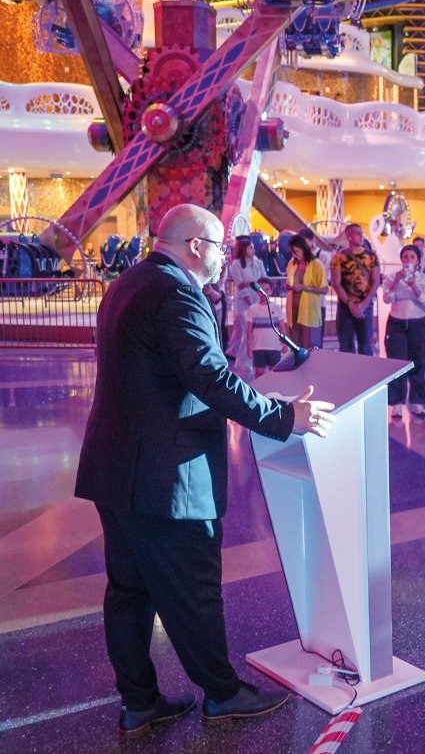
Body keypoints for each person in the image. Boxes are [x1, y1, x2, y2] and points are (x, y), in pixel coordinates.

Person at [75, 204, 334, 737]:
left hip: (118, 468)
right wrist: (287, 417)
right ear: (197, 245)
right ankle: (223, 693)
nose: (224, 257)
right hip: (167, 475)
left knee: (129, 591)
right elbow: (211, 379)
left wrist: (263, 399)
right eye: (219, 246)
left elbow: (173, 376)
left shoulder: (131, 283)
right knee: (193, 588)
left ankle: (140, 703)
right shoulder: (176, 294)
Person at [382, 244, 425, 418]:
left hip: (417, 323)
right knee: (396, 362)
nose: (408, 260)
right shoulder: (391, 277)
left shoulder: (424, 279)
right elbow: (387, 298)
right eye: (405, 257)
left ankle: (417, 401)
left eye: (412, 257)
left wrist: (414, 286)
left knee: (418, 361)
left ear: (418, 260)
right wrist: (396, 281)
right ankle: (396, 402)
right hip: (396, 324)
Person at [330, 223, 380, 355]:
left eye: (362, 233)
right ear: (349, 236)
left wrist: (364, 303)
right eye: (357, 233)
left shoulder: (371, 257)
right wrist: (349, 302)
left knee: (366, 345)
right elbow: (336, 283)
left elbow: (375, 281)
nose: (361, 236)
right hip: (345, 306)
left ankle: (367, 374)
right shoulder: (338, 257)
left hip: (366, 305)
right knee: (346, 346)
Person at [228, 239, 266, 370]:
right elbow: (240, 284)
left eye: (253, 248)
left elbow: (263, 279)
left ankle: (246, 359)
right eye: (250, 248)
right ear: (244, 249)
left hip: (256, 300)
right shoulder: (236, 264)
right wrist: (250, 301)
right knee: (247, 332)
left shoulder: (257, 262)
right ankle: (242, 362)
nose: (253, 250)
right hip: (244, 304)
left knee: (247, 332)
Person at [285, 234, 328, 350]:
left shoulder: (316, 264)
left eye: (296, 251)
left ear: (304, 248)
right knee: (295, 344)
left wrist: (304, 287)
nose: (294, 255)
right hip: (293, 308)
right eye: (292, 252)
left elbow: (324, 289)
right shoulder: (292, 264)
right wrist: (289, 287)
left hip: (309, 310)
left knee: (308, 344)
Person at [245, 279, 282, 378]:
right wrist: (249, 346)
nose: (263, 293)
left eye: (266, 289)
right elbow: (249, 329)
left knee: (274, 372)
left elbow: (282, 326)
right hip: (258, 346)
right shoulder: (252, 309)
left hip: (274, 346)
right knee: (259, 372)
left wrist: (284, 343)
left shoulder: (276, 308)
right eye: (261, 290)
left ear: (271, 291)